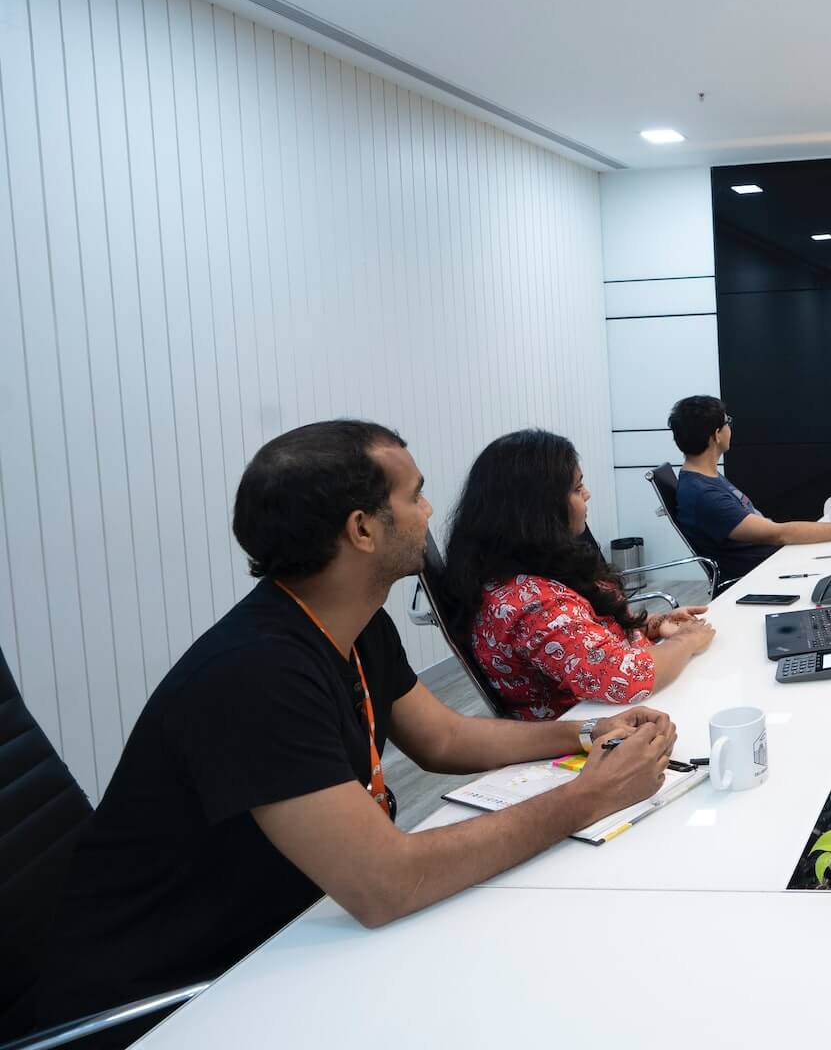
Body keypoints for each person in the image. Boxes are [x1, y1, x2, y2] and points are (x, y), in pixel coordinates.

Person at [29, 422, 680, 1044]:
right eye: (415, 495)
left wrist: (587, 732)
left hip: (298, 933)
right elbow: (385, 883)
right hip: (179, 999)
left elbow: (446, 739)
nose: (430, 512)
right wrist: (588, 797)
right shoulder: (256, 675)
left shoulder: (354, 623)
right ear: (363, 529)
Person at [443, 429, 717, 721]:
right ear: (538, 509)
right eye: (577, 488)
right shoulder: (533, 606)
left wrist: (653, 625)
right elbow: (628, 677)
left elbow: (587, 633)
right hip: (592, 730)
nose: (587, 494)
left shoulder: (537, 565)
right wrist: (687, 641)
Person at [669, 395, 831, 583]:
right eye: (727, 422)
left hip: (776, 562)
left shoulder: (706, 478)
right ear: (717, 434)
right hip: (765, 576)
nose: (730, 427)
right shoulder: (703, 495)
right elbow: (778, 534)